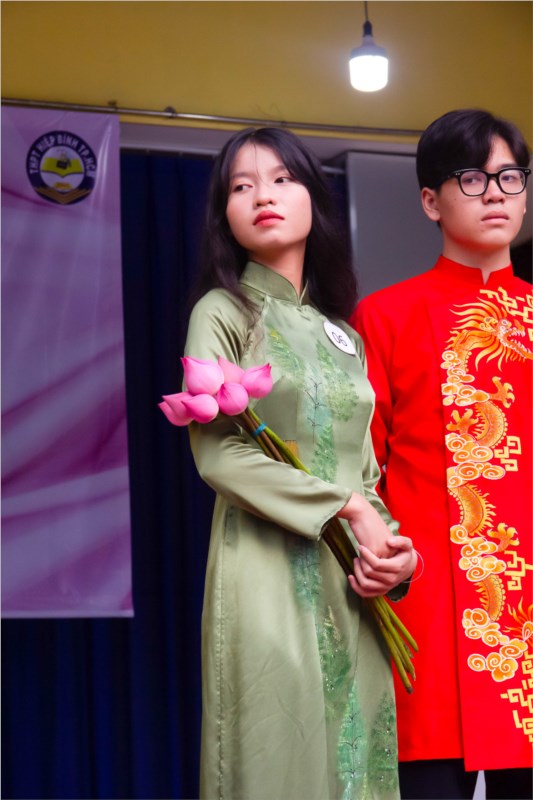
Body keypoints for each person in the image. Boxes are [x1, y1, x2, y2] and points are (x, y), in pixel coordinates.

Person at [182, 127, 417, 800]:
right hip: (264, 577)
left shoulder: (344, 334)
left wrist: (394, 558)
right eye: (242, 186)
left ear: (313, 197)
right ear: (224, 214)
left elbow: (365, 473)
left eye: (282, 179)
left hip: (351, 585)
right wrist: (344, 506)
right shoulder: (223, 312)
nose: (264, 196)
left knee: (356, 766)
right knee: (277, 758)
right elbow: (218, 450)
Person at [352, 110, 532, 800]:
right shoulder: (384, 316)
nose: (495, 194)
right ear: (431, 201)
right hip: (429, 606)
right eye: (472, 179)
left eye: (509, 177)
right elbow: (359, 472)